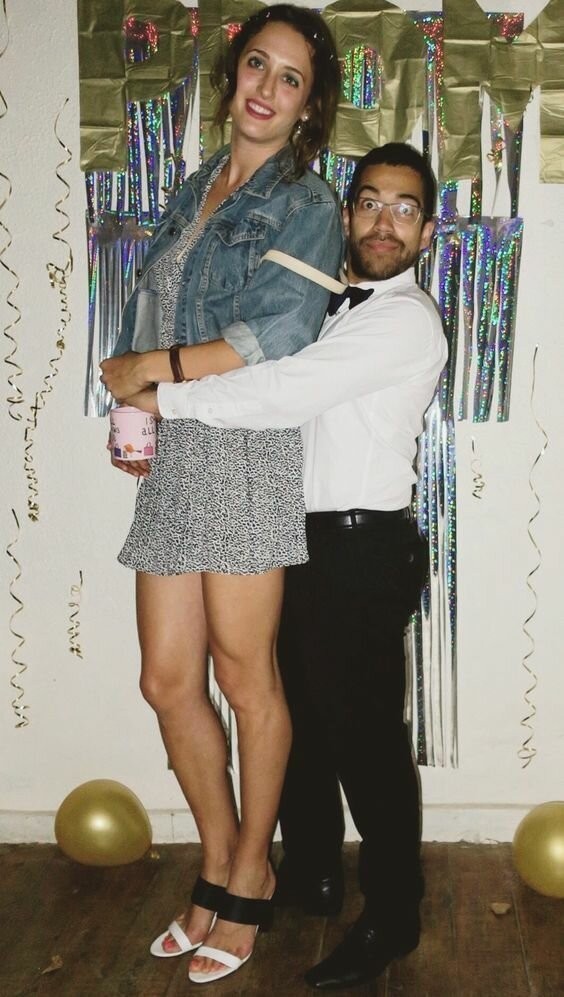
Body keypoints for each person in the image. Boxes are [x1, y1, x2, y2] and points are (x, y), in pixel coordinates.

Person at [126, 142, 448, 990]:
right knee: (297, 715)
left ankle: (393, 914)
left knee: (365, 739)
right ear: (346, 214)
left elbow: (281, 392)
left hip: (362, 544)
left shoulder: (402, 319)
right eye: (370, 202)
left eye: (404, 208)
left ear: (427, 232)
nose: (384, 221)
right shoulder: (326, 304)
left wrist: (161, 395)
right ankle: (310, 873)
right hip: (298, 533)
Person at [99, 4, 343, 986]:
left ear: (309, 104)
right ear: (233, 73)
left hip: (244, 450)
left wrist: (151, 371)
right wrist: (139, 409)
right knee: (168, 680)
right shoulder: (196, 185)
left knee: (247, 680)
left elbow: (277, 332)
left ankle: (250, 872)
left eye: (290, 78)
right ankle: (215, 859)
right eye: (257, 65)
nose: (266, 87)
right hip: (178, 446)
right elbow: (155, 303)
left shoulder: (308, 199)